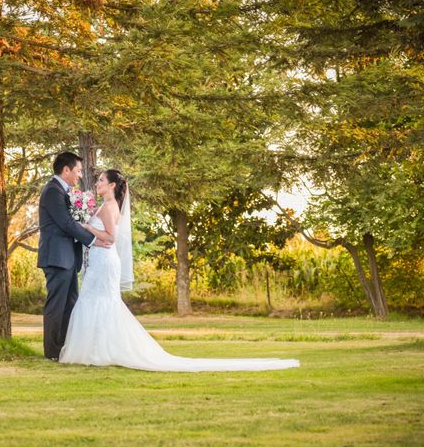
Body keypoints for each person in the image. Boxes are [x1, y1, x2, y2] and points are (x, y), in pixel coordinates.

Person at [59, 169, 300, 371]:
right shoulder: (104, 206)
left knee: (101, 303)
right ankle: (95, 351)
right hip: (99, 262)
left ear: (112, 185)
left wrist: (86, 228)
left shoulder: (110, 207)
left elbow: (110, 237)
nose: (97, 183)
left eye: (101, 180)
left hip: (105, 262)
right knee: (94, 301)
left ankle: (102, 352)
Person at [37, 152, 110, 361]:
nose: (79, 175)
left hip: (67, 258)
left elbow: (73, 222)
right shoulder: (53, 191)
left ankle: (64, 349)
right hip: (57, 258)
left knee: (70, 304)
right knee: (56, 306)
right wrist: (94, 240)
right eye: (77, 170)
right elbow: (66, 224)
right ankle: (51, 352)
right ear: (66, 170)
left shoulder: (64, 191)